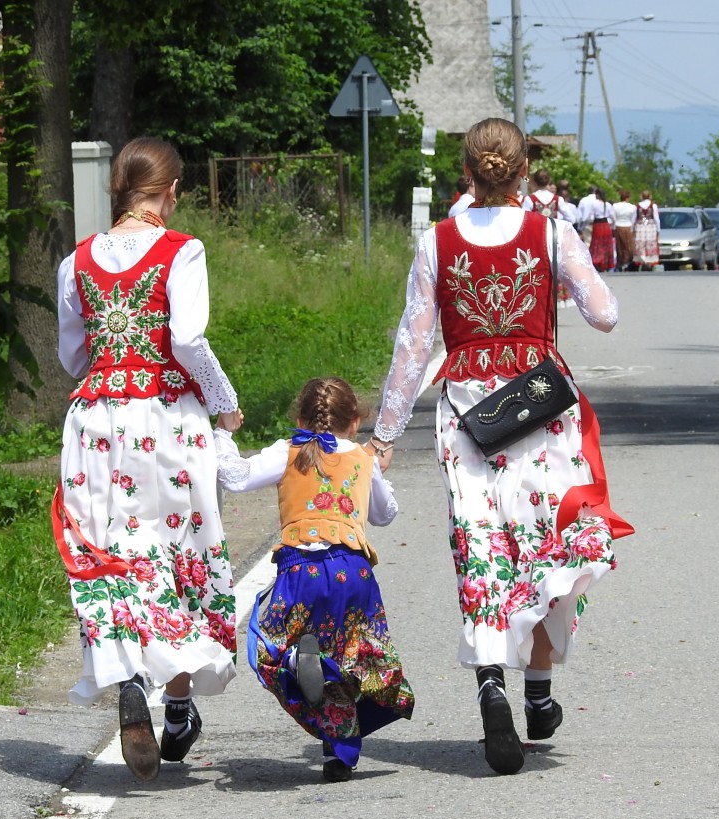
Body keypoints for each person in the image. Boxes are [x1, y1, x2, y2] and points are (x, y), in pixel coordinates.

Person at [369, 117, 634, 777]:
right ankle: (539, 695)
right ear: (523, 173)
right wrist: (557, 293)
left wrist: (384, 433)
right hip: (539, 404)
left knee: (483, 546)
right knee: (546, 544)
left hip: (467, 412)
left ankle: (491, 682)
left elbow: (413, 344)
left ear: (466, 175)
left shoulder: (438, 242)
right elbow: (605, 312)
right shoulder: (551, 232)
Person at [54, 136, 242, 782]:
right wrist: (224, 400)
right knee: (174, 552)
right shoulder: (180, 251)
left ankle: (130, 677)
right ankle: (179, 702)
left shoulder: (76, 261)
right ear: (170, 192)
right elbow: (186, 337)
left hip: (96, 419)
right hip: (163, 416)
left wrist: (109, 372)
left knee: (109, 553)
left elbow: (72, 354)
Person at [215, 377, 414, 782]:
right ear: (355, 422)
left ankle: (294, 659)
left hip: (300, 568)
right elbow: (385, 513)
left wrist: (224, 433)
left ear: (301, 418)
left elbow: (234, 477)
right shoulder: (362, 457)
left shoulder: (288, 451)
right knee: (353, 655)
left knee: (269, 648)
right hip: (352, 570)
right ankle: (337, 755)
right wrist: (377, 472)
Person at [589, 187, 616, 272]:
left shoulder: (594, 204)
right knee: (606, 244)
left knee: (597, 243)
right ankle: (606, 262)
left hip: (597, 224)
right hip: (606, 224)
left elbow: (591, 216)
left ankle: (597, 262)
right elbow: (613, 217)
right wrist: (613, 226)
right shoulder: (607, 204)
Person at [633, 190, 660, 270]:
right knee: (649, 242)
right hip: (650, 227)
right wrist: (658, 230)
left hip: (640, 226)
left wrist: (632, 229)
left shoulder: (637, 206)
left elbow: (634, 218)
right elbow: (656, 218)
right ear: (650, 196)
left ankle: (642, 259)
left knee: (641, 243)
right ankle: (650, 260)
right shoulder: (653, 206)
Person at [612, 189, 637, 271]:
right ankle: (626, 262)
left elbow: (613, 217)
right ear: (627, 198)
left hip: (618, 226)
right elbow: (633, 219)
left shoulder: (615, 206)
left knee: (619, 246)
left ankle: (621, 262)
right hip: (628, 226)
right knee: (628, 246)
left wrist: (614, 225)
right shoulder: (632, 207)